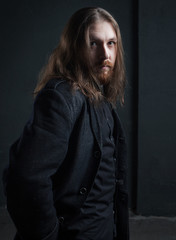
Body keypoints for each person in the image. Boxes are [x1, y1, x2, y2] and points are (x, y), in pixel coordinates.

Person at [4, 7, 129, 240]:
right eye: (94, 44)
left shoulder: (99, 99)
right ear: (74, 48)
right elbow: (26, 178)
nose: (105, 55)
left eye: (111, 43)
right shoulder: (62, 97)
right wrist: (48, 235)